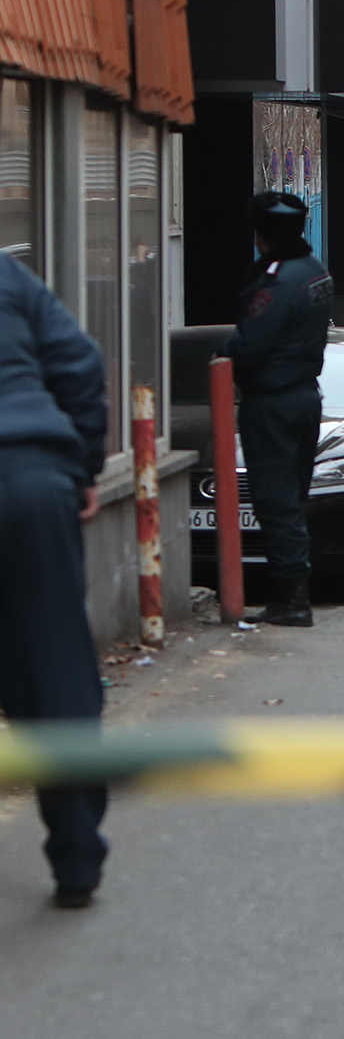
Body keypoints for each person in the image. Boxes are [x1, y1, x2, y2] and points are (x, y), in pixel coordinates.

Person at [0, 249, 109, 908]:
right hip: (32, 480)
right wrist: (84, 467)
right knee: (55, 669)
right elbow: (78, 362)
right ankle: (75, 860)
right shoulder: (7, 275)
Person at [224, 192, 334, 629]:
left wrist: (218, 349)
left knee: (275, 501)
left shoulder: (279, 281)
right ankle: (293, 592)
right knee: (292, 497)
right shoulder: (313, 270)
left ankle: (291, 598)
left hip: (272, 400)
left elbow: (250, 343)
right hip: (305, 395)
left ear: (263, 234)